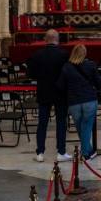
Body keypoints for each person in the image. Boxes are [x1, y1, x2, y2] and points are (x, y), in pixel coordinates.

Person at [26, 29, 70, 163]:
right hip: (60, 92)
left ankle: (40, 152)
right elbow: (68, 74)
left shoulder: (37, 55)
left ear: (45, 39)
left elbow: (31, 74)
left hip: (43, 91)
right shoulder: (64, 55)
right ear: (58, 39)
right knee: (61, 122)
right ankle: (61, 152)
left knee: (42, 123)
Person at [56, 44, 101, 160]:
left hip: (74, 102)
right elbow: (99, 83)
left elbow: (60, 85)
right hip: (89, 100)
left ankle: (88, 149)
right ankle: (85, 154)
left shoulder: (66, 67)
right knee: (86, 127)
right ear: (84, 53)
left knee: (81, 128)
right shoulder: (91, 65)